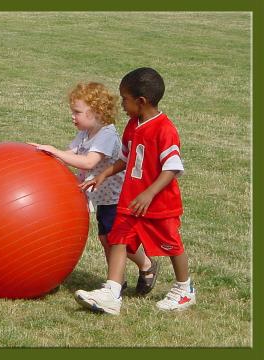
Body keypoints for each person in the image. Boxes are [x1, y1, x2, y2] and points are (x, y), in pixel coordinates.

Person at [75, 68, 196, 314]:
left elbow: (172, 168)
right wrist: (104, 174)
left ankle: (185, 289)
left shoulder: (164, 130)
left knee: (172, 245)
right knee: (118, 238)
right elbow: (126, 158)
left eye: (125, 100)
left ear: (141, 101)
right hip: (131, 201)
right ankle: (112, 291)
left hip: (158, 204)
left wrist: (149, 193)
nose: (122, 105)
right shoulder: (133, 125)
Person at [29, 82, 159, 296]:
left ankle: (145, 265)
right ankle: (117, 280)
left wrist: (55, 152)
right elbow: (71, 153)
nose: (73, 116)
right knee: (107, 238)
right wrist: (47, 154)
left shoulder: (106, 135)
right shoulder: (86, 132)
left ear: (97, 112)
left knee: (114, 238)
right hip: (101, 196)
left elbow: (89, 162)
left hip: (116, 196)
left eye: (77, 112)